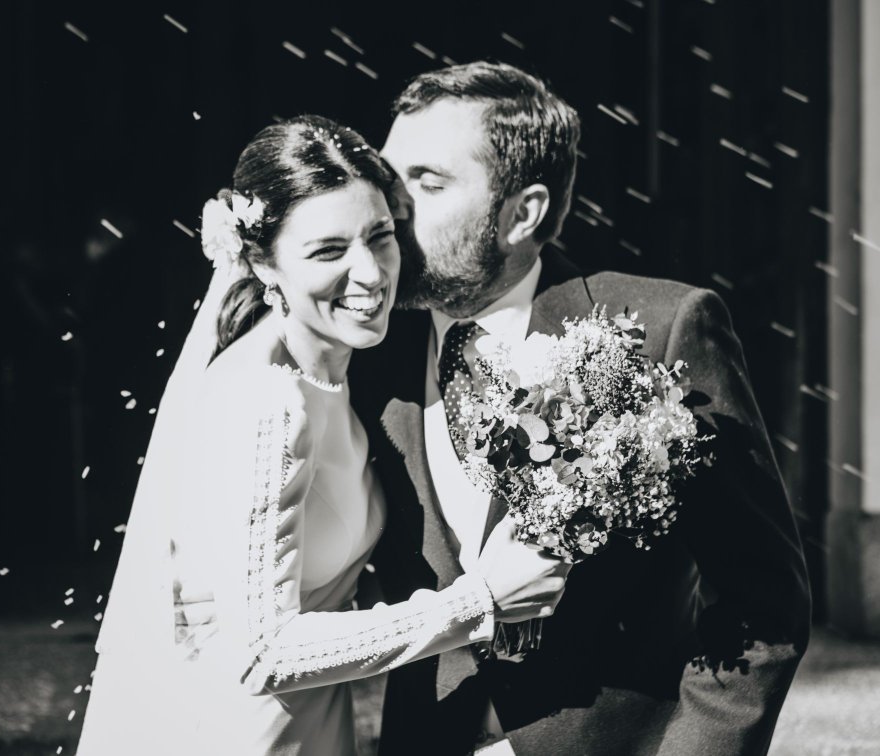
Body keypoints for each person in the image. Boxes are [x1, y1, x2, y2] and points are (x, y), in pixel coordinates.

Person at [349, 61, 812, 755]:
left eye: (429, 182)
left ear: (522, 213)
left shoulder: (660, 332)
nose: (393, 207)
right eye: (391, 178)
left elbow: (764, 599)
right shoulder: (364, 351)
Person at [76, 114, 569, 756]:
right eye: (328, 251)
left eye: (380, 237)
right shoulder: (269, 402)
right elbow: (263, 654)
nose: (370, 273)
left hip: (311, 728)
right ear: (263, 264)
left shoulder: (340, 375)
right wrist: (479, 602)